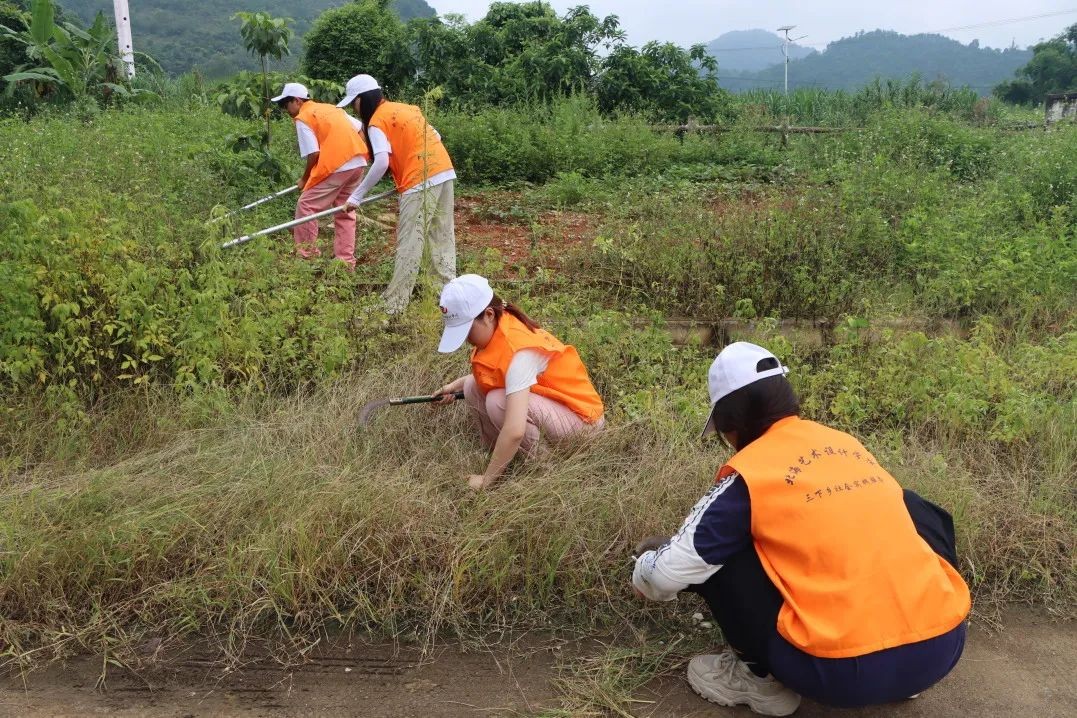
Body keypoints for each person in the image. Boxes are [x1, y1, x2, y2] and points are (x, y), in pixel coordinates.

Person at [632, 342, 970, 716]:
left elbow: (665, 576)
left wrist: (645, 565)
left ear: (730, 423)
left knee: (720, 556)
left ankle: (757, 680)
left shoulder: (749, 476)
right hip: (943, 649)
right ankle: (910, 661)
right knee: (910, 506)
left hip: (841, 675)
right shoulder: (846, 445)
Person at [431, 274, 605, 490]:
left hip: (583, 423)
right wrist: (453, 386)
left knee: (498, 401)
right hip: (555, 411)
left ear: (488, 315)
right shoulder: (498, 328)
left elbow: (514, 430)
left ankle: (545, 468)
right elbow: (497, 373)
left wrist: (486, 482)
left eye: (467, 330)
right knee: (471, 387)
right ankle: (502, 457)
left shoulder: (519, 351)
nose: (466, 340)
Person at [338, 74, 456, 313]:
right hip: (443, 171)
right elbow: (436, 136)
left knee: (410, 242)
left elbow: (381, 162)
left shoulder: (377, 121)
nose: (354, 108)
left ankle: (394, 305)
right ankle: (448, 297)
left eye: (354, 103)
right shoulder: (406, 108)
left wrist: (356, 196)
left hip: (419, 180)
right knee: (441, 237)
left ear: (363, 99)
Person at [271, 82, 369, 268]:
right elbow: (360, 128)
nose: (284, 110)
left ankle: (307, 256)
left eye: (285, 104)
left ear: (297, 101)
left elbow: (313, 153)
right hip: (357, 163)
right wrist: (356, 152)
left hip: (337, 167)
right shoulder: (331, 109)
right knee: (345, 210)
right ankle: (345, 261)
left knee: (306, 205)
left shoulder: (303, 117)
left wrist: (305, 178)